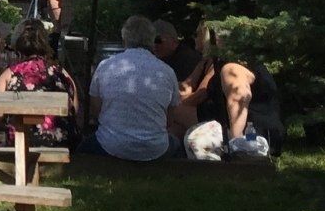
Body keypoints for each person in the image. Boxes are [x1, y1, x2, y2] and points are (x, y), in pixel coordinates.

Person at [153, 19, 276, 155]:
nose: (194, 38)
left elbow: (238, 97)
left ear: (211, 38)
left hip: (253, 132)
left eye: (197, 34)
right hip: (217, 115)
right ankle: (156, 147)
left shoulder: (231, 66)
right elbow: (186, 87)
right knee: (175, 125)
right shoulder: (210, 62)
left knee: (172, 111)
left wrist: (237, 141)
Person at [84, 14, 179, 160]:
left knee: (81, 149)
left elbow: (96, 110)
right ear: (152, 40)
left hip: (111, 144)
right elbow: (169, 119)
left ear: (124, 39)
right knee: (176, 144)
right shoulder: (167, 71)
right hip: (155, 147)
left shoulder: (106, 66)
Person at [0, 19, 77, 147]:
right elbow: (75, 109)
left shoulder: (9, 75)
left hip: (22, 142)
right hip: (63, 142)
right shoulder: (62, 73)